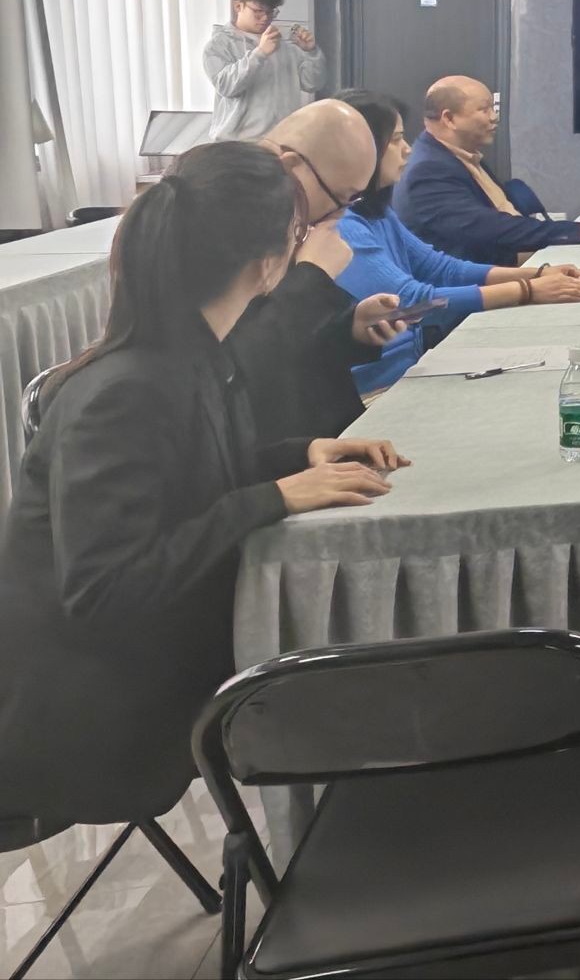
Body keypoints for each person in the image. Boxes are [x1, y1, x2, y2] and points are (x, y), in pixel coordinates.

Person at [0, 141, 405, 827]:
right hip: (85, 724)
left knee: (358, 662)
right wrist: (273, 497)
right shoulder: (127, 391)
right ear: (268, 262)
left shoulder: (186, 354)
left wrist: (301, 455)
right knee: (360, 680)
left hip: (133, 670)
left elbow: (197, 474)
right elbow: (104, 590)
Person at [334, 92, 580, 393]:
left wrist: (538, 274)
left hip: (413, 364)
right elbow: (413, 301)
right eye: (395, 140)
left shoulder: (378, 212)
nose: (406, 149)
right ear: (360, 151)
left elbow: (443, 268)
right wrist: (528, 290)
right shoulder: (345, 226)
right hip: (381, 388)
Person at [227, 100, 409, 444]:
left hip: (321, 437)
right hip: (277, 450)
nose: (341, 214)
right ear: (293, 167)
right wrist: (313, 276)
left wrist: (350, 328)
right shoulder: (229, 216)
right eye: (341, 196)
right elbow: (241, 363)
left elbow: (292, 345)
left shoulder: (286, 213)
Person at [395, 76, 580, 265]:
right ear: (449, 118)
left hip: (508, 262)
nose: (494, 117)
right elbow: (489, 228)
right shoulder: (428, 170)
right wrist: (574, 231)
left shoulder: (461, 154)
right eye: (484, 110)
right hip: (479, 285)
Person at [204, 0, 324, 140]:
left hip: (281, 139)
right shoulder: (219, 45)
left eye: (271, 12)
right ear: (238, 6)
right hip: (238, 143)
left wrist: (311, 52)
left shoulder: (283, 44)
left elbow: (312, 84)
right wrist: (260, 53)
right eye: (258, 11)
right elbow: (226, 87)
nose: (266, 18)